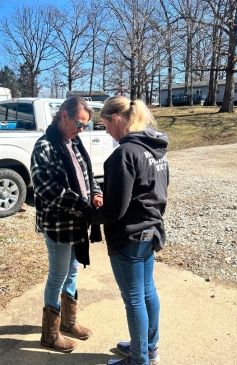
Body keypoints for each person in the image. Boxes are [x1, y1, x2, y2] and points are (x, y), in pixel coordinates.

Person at [85, 96, 169, 365]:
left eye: (105, 124)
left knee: (134, 299)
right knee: (147, 292)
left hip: (129, 236)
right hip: (150, 230)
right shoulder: (155, 150)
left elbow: (114, 211)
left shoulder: (124, 154)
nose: (105, 130)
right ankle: (147, 347)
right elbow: (158, 193)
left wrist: (88, 213)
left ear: (117, 119)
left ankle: (139, 359)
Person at [30, 96, 103, 353]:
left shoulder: (75, 143)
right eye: (79, 123)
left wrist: (95, 194)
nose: (81, 130)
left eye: (85, 125)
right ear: (63, 115)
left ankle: (68, 322)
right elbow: (46, 188)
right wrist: (82, 204)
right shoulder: (44, 147)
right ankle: (49, 334)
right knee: (58, 275)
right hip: (58, 224)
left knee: (72, 271)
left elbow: (88, 175)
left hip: (77, 223)